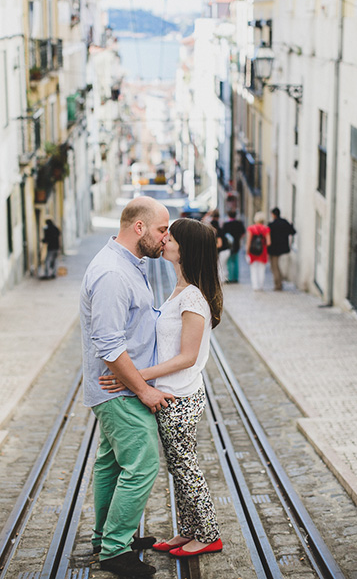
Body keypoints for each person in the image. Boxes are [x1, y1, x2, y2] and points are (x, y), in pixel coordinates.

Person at [100, 218, 224, 558]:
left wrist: (136, 375)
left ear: (185, 249)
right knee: (178, 467)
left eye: (172, 236)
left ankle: (209, 533)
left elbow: (187, 356)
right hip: (173, 394)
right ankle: (189, 531)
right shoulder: (181, 290)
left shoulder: (194, 299)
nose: (164, 238)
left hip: (179, 396)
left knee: (186, 467)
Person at [80, 197, 174, 577]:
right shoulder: (113, 274)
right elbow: (108, 344)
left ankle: (106, 537)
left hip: (120, 386)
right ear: (139, 228)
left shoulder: (128, 265)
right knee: (143, 463)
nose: (165, 239)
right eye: (162, 230)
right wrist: (144, 389)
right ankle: (115, 551)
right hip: (121, 390)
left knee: (111, 464)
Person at [268, 208, 296, 291]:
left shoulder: (272, 225)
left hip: (274, 249)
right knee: (277, 267)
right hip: (283, 248)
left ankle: (278, 285)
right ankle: (279, 282)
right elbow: (293, 232)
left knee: (274, 267)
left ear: (273, 214)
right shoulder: (284, 222)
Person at [245, 212, 272, 291]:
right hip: (262, 251)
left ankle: (255, 286)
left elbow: (249, 241)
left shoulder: (251, 228)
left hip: (253, 252)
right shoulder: (266, 229)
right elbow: (269, 242)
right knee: (262, 269)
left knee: (253, 269)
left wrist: (247, 252)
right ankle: (261, 286)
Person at [222, 212, 246, 284]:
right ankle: (235, 277)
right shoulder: (239, 223)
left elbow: (224, 234)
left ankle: (230, 278)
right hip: (237, 244)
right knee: (236, 261)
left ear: (228, 216)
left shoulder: (226, 224)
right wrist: (239, 239)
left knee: (229, 261)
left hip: (229, 245)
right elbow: (243, 233)